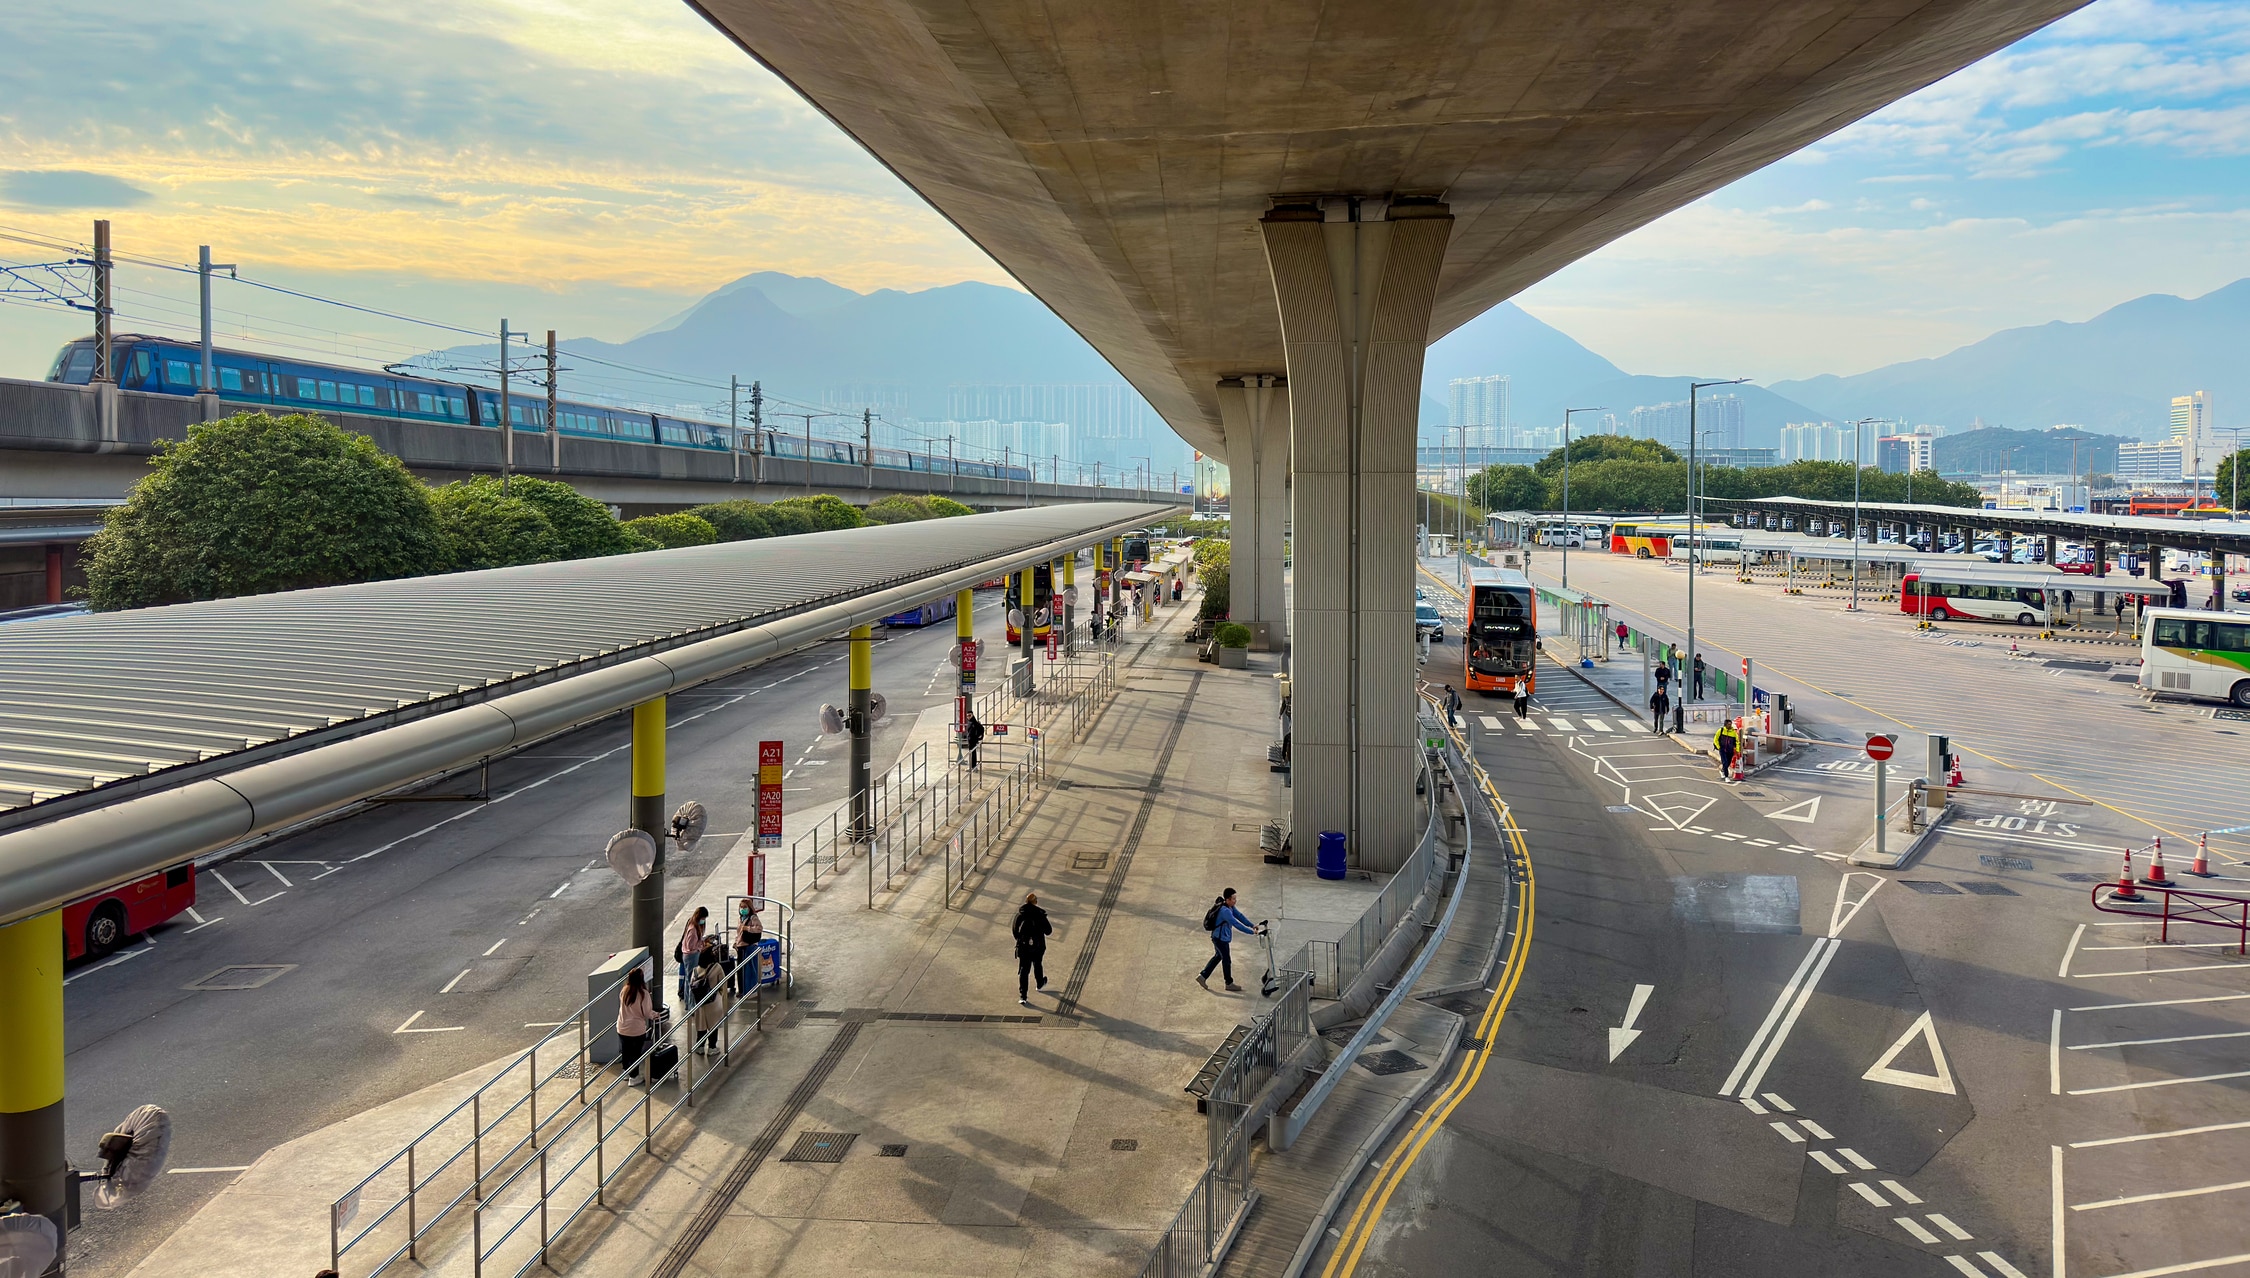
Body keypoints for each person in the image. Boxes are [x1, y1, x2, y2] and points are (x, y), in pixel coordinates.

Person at [1197, 888, 1265, 992]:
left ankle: (1202, 976)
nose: (1235, 901)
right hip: (1220, 939)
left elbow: (1240, 916)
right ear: (1228, 899)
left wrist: (1252, 925)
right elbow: (1236, 924)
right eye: (1233, 899)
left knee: (1218, 956)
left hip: (1219, 937)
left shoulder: (1230, 907)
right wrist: (1252, 932)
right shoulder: (1225, 911)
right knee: (1226, 960)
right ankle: (1228, 983)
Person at [1013, 891, 1052, 1006]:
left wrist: (1021, 940)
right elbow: (1049, 931)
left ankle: (1023, 996)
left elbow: (1015, 931)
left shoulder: (1020, 915)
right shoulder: (1040, 914)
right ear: (1035, 902)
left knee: (1024, 970)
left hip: (1024, 947)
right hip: (1038, 946)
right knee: (1037, 963)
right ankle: (1040, 983)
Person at [616, 966, 654, 1085]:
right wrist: (655, 1015)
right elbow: (648, 1013)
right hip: (637, 1029)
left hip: (622, 1026)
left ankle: (626, 1072)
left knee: (626, 1051)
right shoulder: (644, 994)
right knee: (636, 1053)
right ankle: (634, 1076)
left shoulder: (624, 990)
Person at [677, 906, 708, 1003]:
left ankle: (688, 1002)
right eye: (703, 918)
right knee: (691, 980)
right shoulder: (693, 929)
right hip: (691, 955)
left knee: (688, 979)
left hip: (688, 955)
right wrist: (700, 945)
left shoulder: (692, 925)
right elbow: (691, 946)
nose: (704, 921)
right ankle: (691, 1003)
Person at [734, 901, 764, 996]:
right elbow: (739, 932)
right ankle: (741, 990)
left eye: (745, 907)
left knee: (747, 969)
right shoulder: (740, 919)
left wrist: (747, 928)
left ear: (749, 908)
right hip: (740, 946)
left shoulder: (753, 918)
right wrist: (735, 942)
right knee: (739, 970)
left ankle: (748, 990)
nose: (743, 909)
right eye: (741, 907)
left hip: (747, 946)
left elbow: (759, 928)